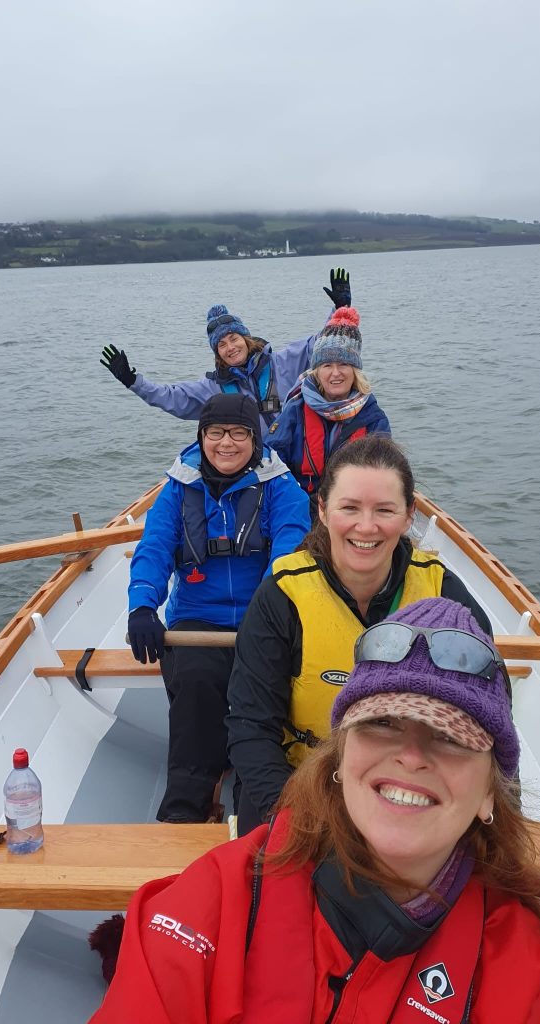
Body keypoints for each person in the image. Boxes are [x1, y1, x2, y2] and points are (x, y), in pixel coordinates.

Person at [90, 598, 540, 1023]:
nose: (411, 757)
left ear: (491, 793)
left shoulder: (519, 963)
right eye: (381, 723)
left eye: (450, 737)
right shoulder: (220, 895)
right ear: (341, 758)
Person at [226, 434, 493, 834]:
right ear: (322, 509)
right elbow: (250, 726)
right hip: (302, 783)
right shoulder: (281, 597)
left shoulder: (445, 596)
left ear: (408, 515)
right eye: (349, 508)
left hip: (406, 787)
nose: (366, 527)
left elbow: (489, 722)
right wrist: (299, 822)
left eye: (384, 510)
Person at [126, 393, 310, 823]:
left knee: (263, 690)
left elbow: (287, 556)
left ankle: (259, 802)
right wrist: (141, 607)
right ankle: (185, 808)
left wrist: (265, 622)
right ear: (201, 435)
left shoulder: (282, 489)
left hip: (262, 615)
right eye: (215, 432)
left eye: (239, 433)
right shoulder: (176, 489)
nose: (226, 443)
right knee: (194, 680)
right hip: (196, 618)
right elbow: (153, 548)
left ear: (255, 439)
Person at [98, 269, 353, 434]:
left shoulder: (282, 362)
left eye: (234, 338)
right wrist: (132, 381)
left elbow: (321, 344)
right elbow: (169, 397)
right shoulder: (212, 389)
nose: (230, 347)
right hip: (254, 466)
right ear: (217, 353)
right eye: (222, 344)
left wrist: (340, 309)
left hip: (297, 455)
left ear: (246, 338)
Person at [267, 305, 391, 496]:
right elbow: (273, 460)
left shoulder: (373, 417)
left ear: (355, 370)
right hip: (302, 504)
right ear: (317, 372)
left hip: (352, 505)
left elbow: (383, 470)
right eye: (326, 365)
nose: (335, 373)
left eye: (343, 364)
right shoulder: (296, 410)